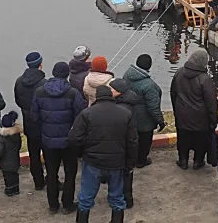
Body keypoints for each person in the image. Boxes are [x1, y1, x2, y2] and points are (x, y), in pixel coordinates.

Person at [69, 85, 139, 223]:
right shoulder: (125, 114)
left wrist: (81, 154)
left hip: (92, 162)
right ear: (111, 96)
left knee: (86, 198)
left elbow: (73, 138)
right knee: (117, 199)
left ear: (97, 97)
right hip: (117, 163)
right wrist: (130, 164)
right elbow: (133, 142)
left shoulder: (87, 113)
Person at [32, 61, 85, 214]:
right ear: (67, 74)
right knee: (70, 173)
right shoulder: (73, 93)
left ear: (53, 73)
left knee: (51, 172)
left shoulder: (39, 92)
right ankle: (67, 204)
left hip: (48, 141)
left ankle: (53, 205)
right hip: (68, 141)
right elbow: (80, 118)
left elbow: (34, 117)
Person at [170, 49, 218, 170]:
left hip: (182, 114)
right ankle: (198, 161)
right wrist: (213, 120)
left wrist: (177, 109)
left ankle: (183, 160)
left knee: (183, 138)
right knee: (200, 141)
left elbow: (173, 93)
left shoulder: (179, 73)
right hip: (200, 118)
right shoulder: (205, 79)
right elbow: (211, 102)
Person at [123, 54, 165, 168]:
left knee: (131, 139)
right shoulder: (149, 86)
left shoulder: (127, 75)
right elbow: (153, 107)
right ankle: (141, 160)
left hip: (129, 115)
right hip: (144, 120)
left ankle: (129, 158)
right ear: (149, 66)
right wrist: (160, 121)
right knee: (144, 142)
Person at [14, 51, 47, 190]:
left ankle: (38, 182)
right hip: (44, 126)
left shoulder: (19, 81)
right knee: (49, 156)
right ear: (40, 64)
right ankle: (52, 180)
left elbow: (18, 101)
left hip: (29, 124)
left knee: (34, 155)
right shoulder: (44, 84)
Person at [109, 79, 139, 209]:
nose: (110, 91)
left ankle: (122, 199)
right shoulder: (128, 105)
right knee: (126, 174)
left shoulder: (121, 108)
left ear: (119, 92)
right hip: (126, 146)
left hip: (121, 146)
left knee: (121, 174)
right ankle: (127, 198)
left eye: (112, 89)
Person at [0, 111, 21, 196]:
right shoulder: (16, 135)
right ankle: (16, 189)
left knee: (8, 177)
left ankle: (9, 189)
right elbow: (19, 146)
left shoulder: (1, 139)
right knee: (15, 174)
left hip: (5, 163)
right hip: (15, 160)